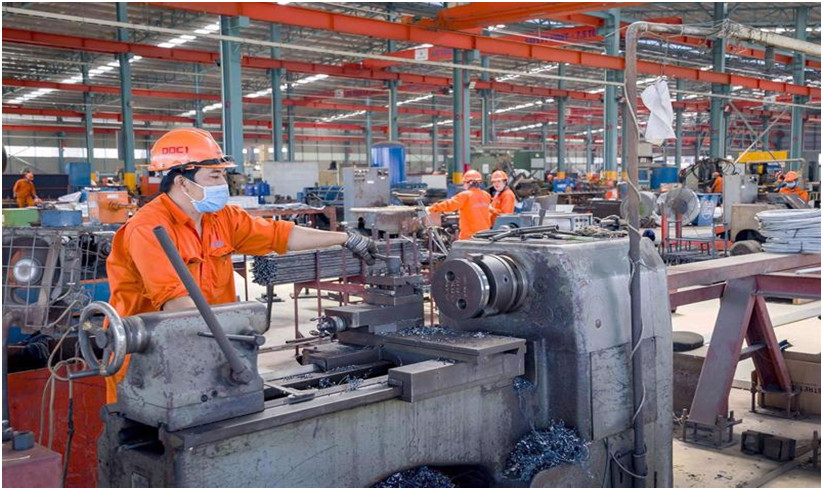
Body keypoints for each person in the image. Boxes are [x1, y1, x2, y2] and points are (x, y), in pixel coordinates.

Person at [105, 128, 377, 403]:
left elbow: (280, 235)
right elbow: (175, 303)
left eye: (223, 175)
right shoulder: (148, 228)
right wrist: (231, 340)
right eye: (214, 176)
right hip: (148, 361)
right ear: (182, 182)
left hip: (207, 345)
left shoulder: (220, 218)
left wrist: (345, 239)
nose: (223, 184)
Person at [427, 169, 491, 240]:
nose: (463, 185)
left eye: (464, 182)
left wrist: (431, 208)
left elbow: (449, 205)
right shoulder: (486, 195)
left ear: (469, 183)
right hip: (485, 235)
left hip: (469, 236)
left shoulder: (465, 195)